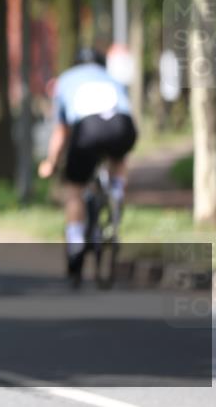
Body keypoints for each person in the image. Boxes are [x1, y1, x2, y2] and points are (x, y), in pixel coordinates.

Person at [38, 47, 138, 281]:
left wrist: (51, 162)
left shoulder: (65, 80)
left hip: (87, 129)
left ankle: (75, 241)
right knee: (118, 157)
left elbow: (61, 131)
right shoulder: (111, 78)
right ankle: (117, 192)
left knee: (75, 189)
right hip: (122, 125)